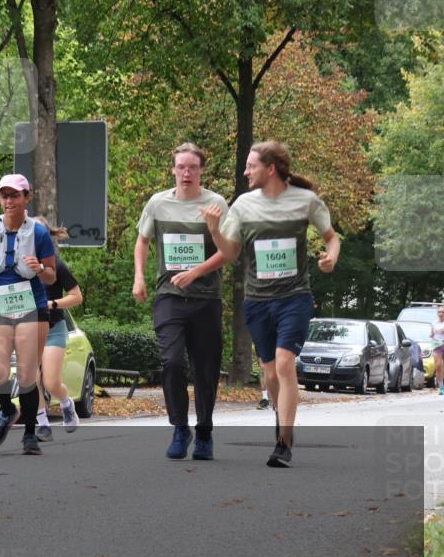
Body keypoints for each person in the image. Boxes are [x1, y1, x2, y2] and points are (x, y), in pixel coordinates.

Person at [203, 140, 340, 468]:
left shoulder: (306, 201)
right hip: (257, 301)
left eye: (251, 166)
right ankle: (283, 420)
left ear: (271, 169)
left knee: (283, 362)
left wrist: (331, 258)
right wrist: (213, 230)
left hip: (294, 297)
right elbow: (232, 252)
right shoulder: (243, 205)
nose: (246, 171)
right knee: (269, 372)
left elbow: (331, 237)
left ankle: (284, 442)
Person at [133, 143, 229, 461]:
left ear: (201, 170)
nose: (186, 173)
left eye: (192, 167)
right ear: (173, 169)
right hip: (169, 296)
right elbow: (142, 241)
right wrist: (139, 277)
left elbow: (228, 251)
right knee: (172, 362)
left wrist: (196, 270)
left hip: (206, 298)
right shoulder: (158, 203)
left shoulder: (215, 203)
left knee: (205, 370)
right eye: (181, 167)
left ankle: (203, 432)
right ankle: (179, 427)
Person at [0, 174, 57, 455]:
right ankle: (8, 410)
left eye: (15, 195)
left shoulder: (39, 234)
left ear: (26, 198)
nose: (9, 201)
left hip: (32, 306)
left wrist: (40, 269)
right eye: (4, 195)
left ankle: (30, 434)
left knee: (28, 375)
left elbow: (53, 276)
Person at [32, 216, 84, 442]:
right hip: (27, 330)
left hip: (53, 327)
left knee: (51, 382)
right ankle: (42, 423)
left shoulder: (57, 265)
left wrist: (51, 304)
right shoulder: (17, 266)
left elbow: (77, 297)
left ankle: (65, 403)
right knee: (30, 380)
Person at [431, 307, 444, 395]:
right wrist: (432, 336)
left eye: (443, 312)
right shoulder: (434, 323)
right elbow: (431, 334)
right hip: (437, 345)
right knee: (438, 366)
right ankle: (441, 387)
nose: (441, 313)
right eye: (439, 312)